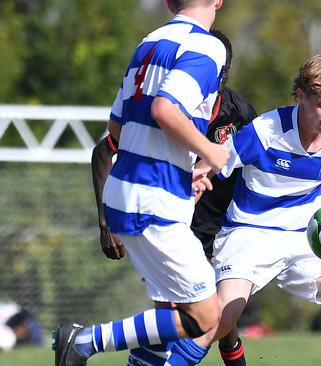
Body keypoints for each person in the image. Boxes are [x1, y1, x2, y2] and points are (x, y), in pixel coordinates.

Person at [186, 54, 321, 366]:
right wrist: (198, 179)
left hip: (306, 239)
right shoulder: (266, 130)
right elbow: (216, 160)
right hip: (249, 233)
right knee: (219, 318)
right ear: (301, 95)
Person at [52, 1, 228, 366]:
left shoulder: (148, 43)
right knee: (206, 316)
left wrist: (188, 163)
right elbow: (165, 110)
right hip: (154, 197)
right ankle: (83, 341)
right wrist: (210, 151)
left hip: (127, 190)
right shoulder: (207, 45)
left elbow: (116, 129)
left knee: (168, 313)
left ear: (167, 2)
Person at [91, 28, 257, 366]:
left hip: (217, 226)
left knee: (215, 317)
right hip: (165, 217)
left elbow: (256, 160)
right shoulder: (172, 106)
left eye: (223, 72)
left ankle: (92, 343)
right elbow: (103, 151)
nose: (217, 78)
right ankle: (93, 343)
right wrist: (104, 222)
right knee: (188, 315)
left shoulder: (239, 114)